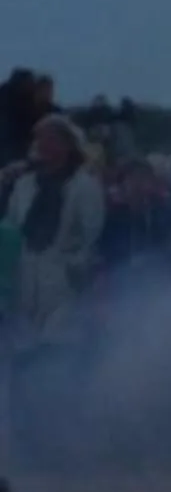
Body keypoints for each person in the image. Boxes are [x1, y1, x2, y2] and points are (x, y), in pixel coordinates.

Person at [3, 115, 105, 334]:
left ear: (67, 145)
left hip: (63, 280)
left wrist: (75, 267)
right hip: (26, 275)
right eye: (40, 139)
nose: (43, 145)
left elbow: (93, 235)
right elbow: (12, 229)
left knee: (57, 348)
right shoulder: (24, 185)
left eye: (51, 139)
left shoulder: (84, 186)